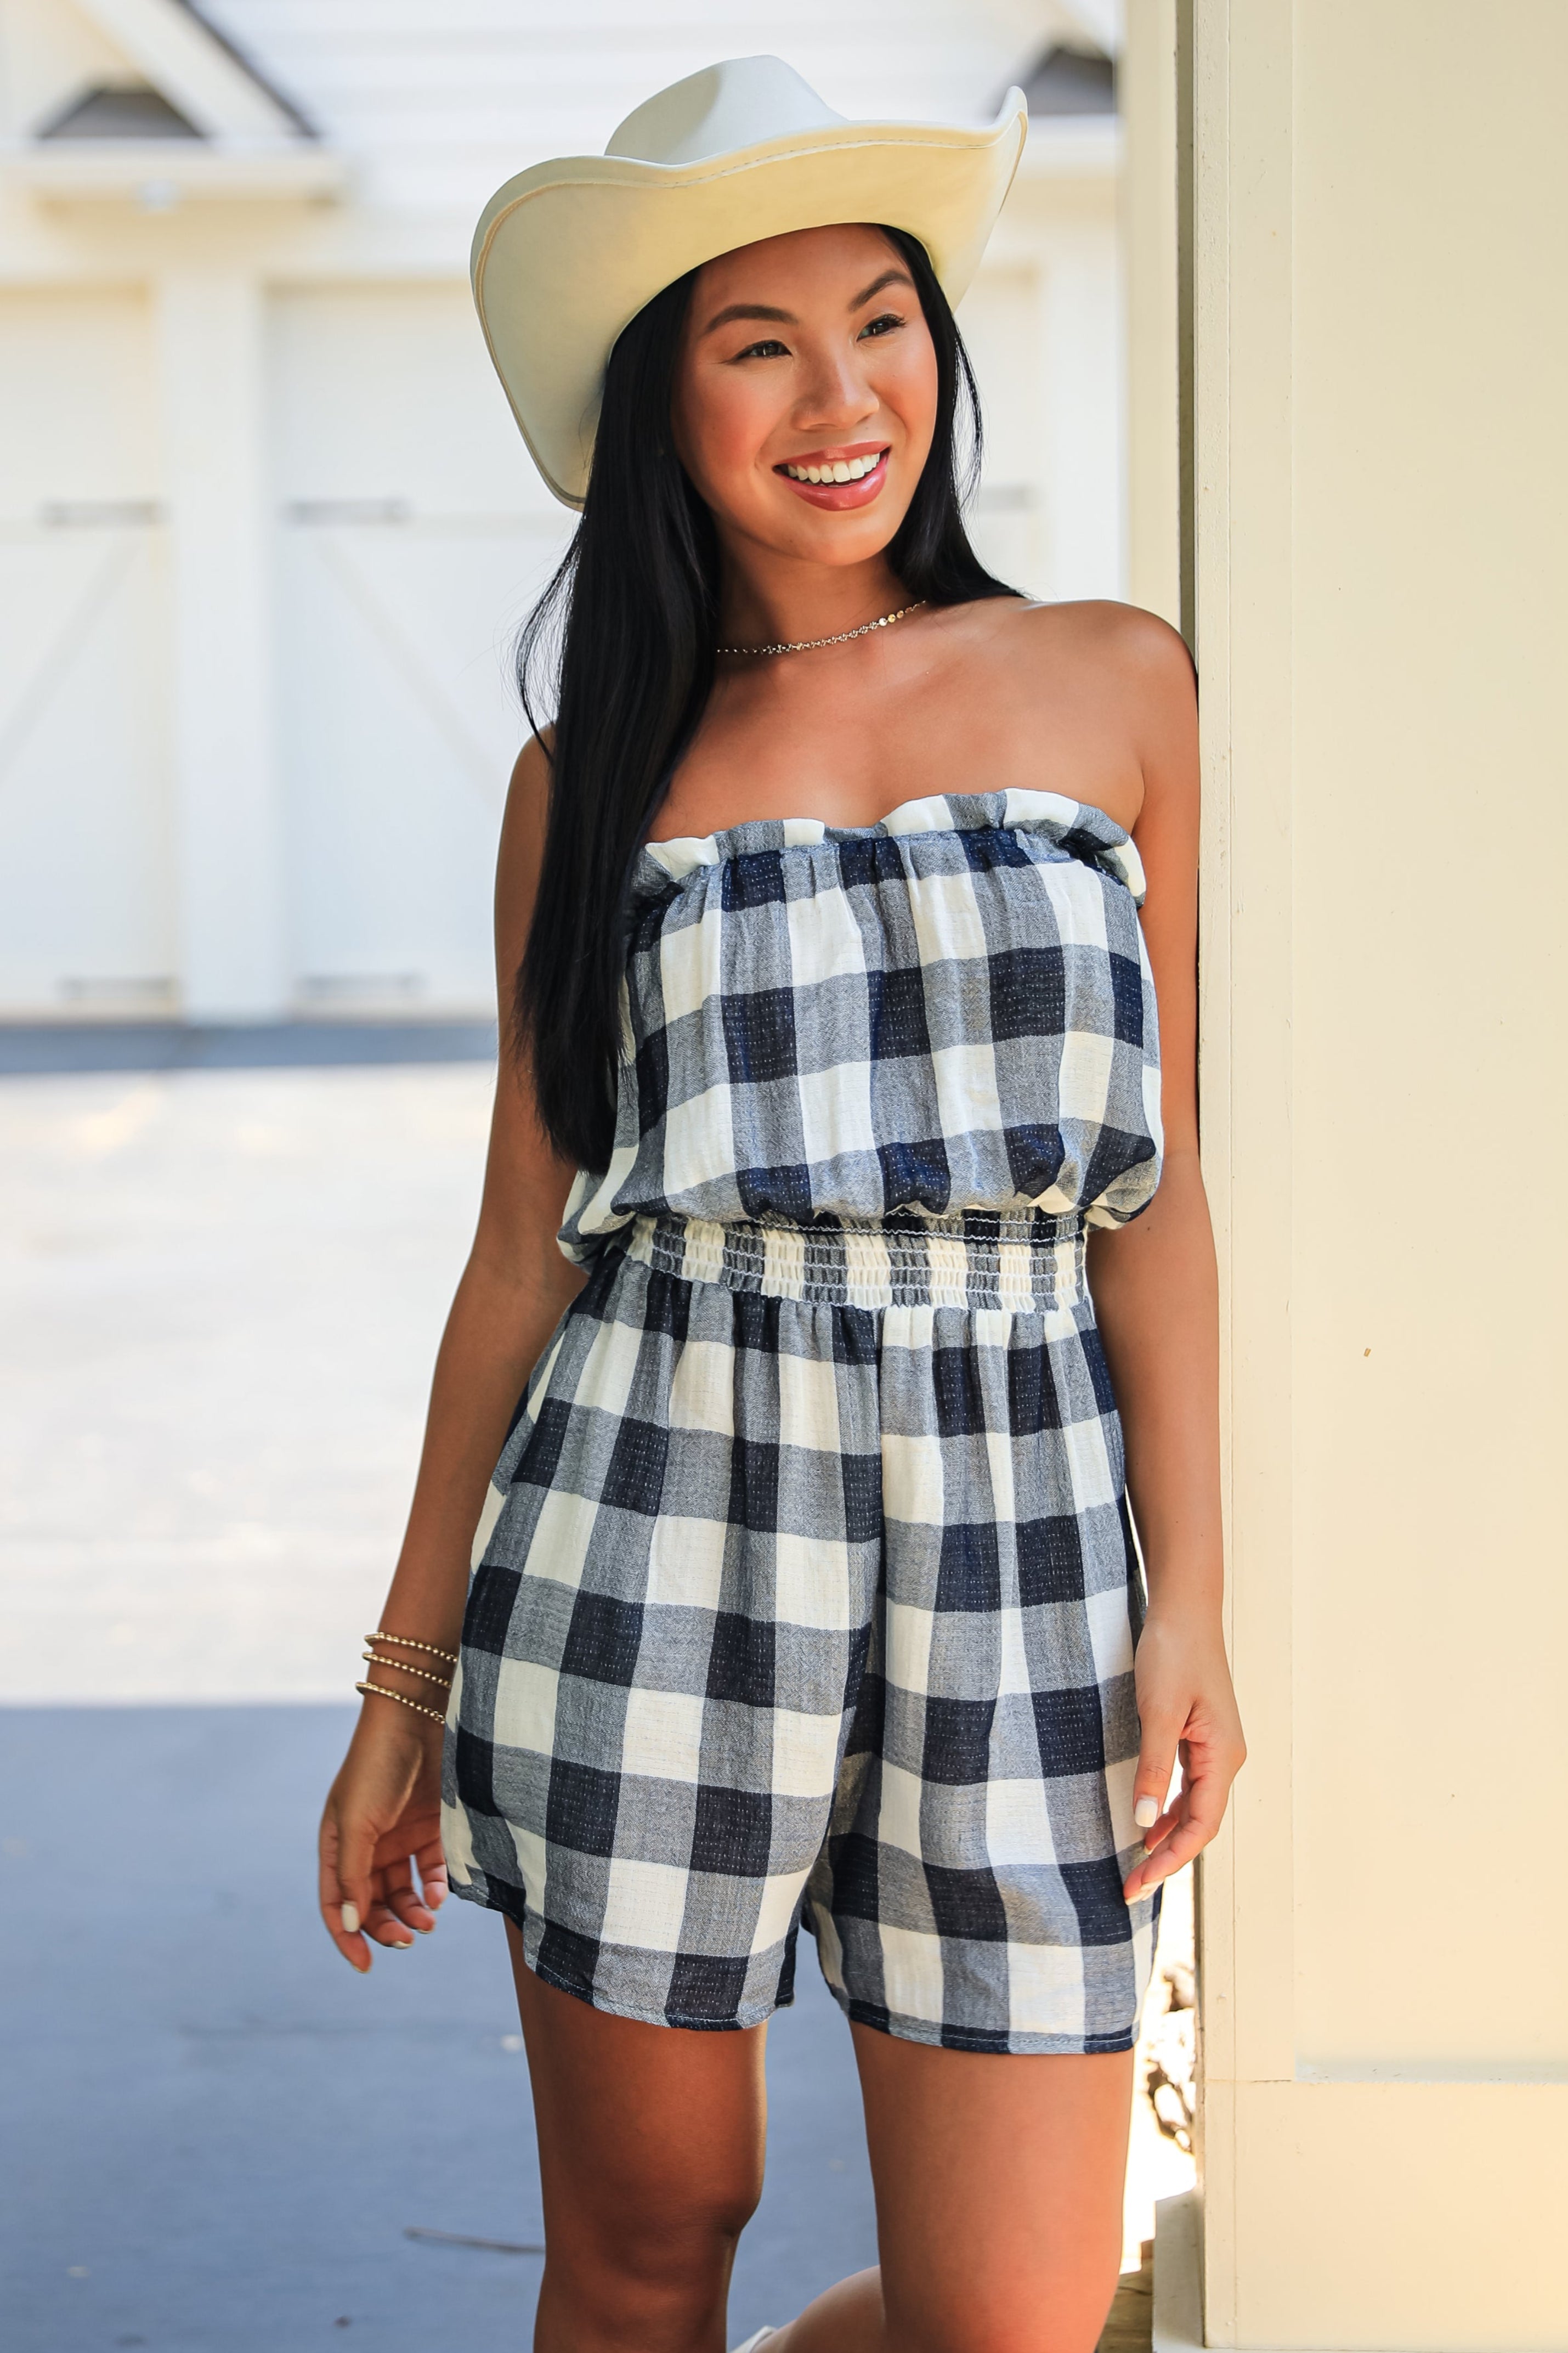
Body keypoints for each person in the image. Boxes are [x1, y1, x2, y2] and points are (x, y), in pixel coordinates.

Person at [318, 58, 1244, 2353]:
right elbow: (522, 1250)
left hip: (1020, 1543)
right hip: (651, 1517)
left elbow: (1158, 1192)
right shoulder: (593, 773)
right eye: (760, 344)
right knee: (645, 2246)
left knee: (1013, 2316)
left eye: (885, 321)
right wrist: (400, 1686)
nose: (843, 396)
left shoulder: (1116, 683)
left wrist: (1191, 1596)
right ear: (668, 408)